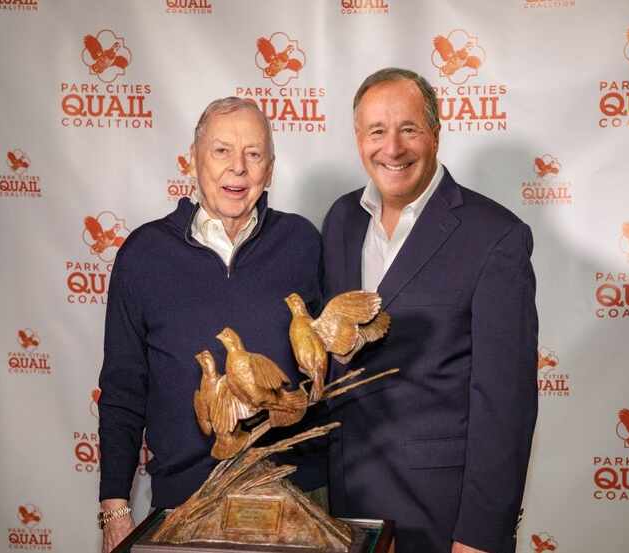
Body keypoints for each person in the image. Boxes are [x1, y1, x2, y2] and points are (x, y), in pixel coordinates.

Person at [321, 68, 538, 553]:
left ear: (436, 133)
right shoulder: (340, 221)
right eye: (376, 131)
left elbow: (506, 403)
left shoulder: (495, 237)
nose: (392, 148)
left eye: (409, 129)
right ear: (359, 139)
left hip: (442, 514)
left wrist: (481, 533)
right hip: (347, 504)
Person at [97, 97, 325, 552]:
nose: (237, 168)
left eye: (254, 154)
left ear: (271, 168)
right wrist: (115, 510)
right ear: (192, 159)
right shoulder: (143, 254)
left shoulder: (303, 242)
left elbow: (333, 370)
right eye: (222, 151)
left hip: (293, 506)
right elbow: (123, 391)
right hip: (183, 506)